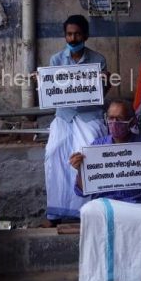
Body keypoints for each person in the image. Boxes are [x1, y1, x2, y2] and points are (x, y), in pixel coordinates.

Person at [69, 99, 141, 281]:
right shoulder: (96, 146)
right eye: (110, 118)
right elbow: (81, 191)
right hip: (106, 202)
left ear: (132, 121)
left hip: (138, 203)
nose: (114, 123)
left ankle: (134, 278)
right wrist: (80, 170)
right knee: (87, 211)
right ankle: (95, 279)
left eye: (119, 119)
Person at [44, 14, 108, 226]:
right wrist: (42, 83)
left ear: (86, 35)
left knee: (87, 155)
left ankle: (88, 211)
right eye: (69, 34)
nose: (73, 38)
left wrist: (105, 83)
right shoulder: (56, 60)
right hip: (64, 116)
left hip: (89, 116)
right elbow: (52, 90)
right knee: (53, 155)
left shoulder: (98, 60)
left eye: (78, 33)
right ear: (65, 36)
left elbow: (101, 93)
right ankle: (55, 213)